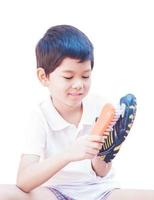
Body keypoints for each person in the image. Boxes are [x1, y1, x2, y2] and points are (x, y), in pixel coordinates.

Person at [0, 24, 154, 200]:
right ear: (44, 77)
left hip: (101, 192)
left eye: (86, 76)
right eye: (68, 77)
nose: (79, 84)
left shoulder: (101, 107)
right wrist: (68, 154)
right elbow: (24, 181)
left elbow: (101, 172)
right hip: (55, 193)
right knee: (3, 193)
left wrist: (104, 154)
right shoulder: (40, 115)